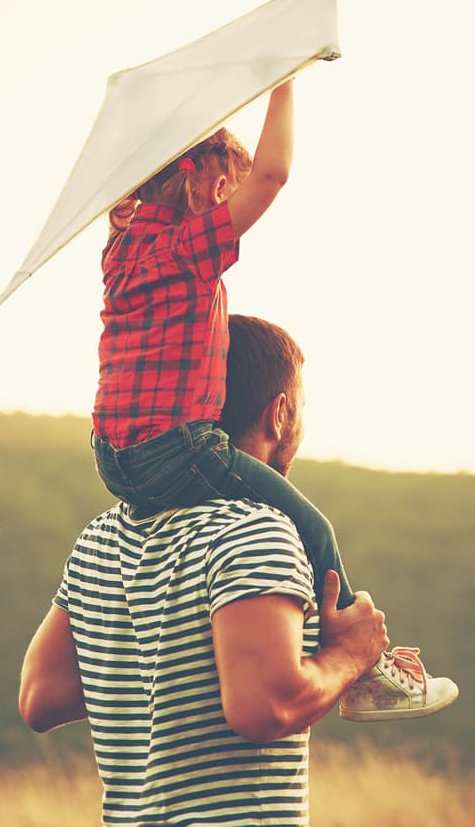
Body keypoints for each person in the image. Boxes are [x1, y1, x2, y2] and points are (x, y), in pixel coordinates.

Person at [20, 315, 458, 827]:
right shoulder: (254, 527)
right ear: (280, 413)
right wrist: (349, 656)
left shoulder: (101, 538)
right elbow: (262, 709)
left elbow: (42, 697)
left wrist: (168, 667)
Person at [90, 80, 450, 720]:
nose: (233, 201)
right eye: (224, 188)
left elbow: (247, 173)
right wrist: (282, 79)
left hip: (113, 459)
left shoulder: (121, 248)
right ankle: (362, 670)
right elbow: (273, 175)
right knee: (313, 528)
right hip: (176, 449)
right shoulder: (184, 248)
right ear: (197, 178)